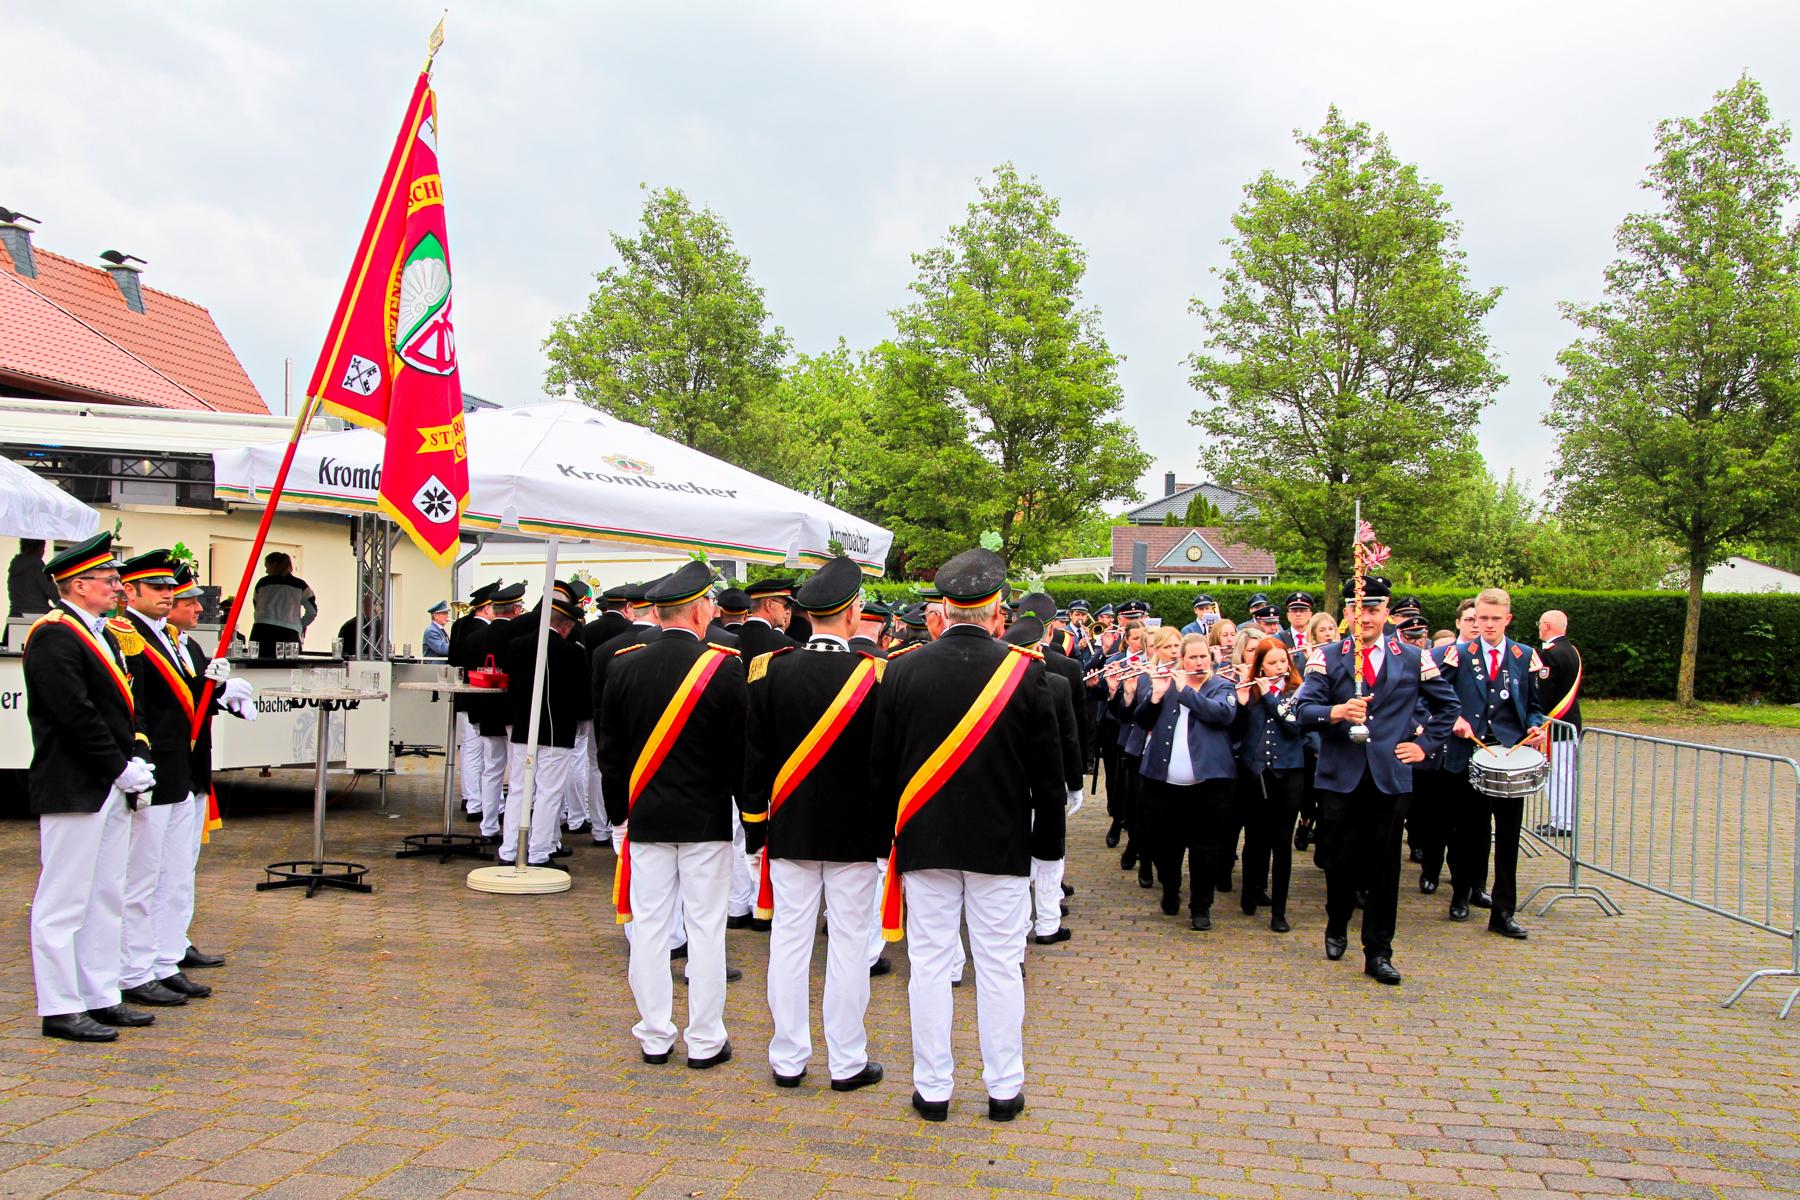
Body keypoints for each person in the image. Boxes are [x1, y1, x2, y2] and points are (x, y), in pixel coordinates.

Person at [869, 547, 1063, 1123]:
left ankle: (933, 1089)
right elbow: (1048, 778)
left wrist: (885, 843)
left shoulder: (901, 669)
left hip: (924, 840)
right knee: (1000, 966)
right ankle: (1004, 1088)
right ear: (997, 612)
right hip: (1000, 843)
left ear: (945, 610)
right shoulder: (1026, 672)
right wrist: (1047, 850)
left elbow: (881, 768)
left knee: (929, 966)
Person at [741, 555, 888, 1092]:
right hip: (855, 834)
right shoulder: (874, 676)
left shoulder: (769, 670)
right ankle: (847, 1061)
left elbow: (754, 761)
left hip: (791, 829)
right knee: (849, 946)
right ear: (851, 614)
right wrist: (884, 837)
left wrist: (755, 827)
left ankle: (788, 1058)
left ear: (806, 615)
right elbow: (884, 767)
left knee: (789, 942)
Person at [598, 561, 747, 1070]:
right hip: (705, 820)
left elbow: (610, 754)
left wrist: (619, 815)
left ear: (659, 614)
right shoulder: (724, 668)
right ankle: (704, 1040)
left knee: (650, 928)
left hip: (645, 818)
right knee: (706, 931)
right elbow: (739, 756)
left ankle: (655, 1035)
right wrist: (751, 819)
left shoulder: (623, 666)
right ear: (701, 610)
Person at [1294, 575, 1457, 986]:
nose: (1364, 616)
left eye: (1372, 608)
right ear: (1347, 613)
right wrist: (1336, 712)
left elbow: (1447, 705)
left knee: (1384, 868)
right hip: (1340, 776)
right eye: (1357, 608)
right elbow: (1302, 711)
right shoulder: (1328, 656)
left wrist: (1424, 747)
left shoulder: (1414, 657)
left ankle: (1379, 951)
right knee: (1339, 860)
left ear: (1387, 612)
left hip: (1389, 776)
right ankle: (1337, 921)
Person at [24, 533, 155, 1041]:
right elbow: (73, 713)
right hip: (75, 783)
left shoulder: (100, 633)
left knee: (106, 895)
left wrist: (136, 755)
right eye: (109, 579)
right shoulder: (55, 634)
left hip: (109, 783)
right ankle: (60, 1006)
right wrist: (117, 766)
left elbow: (124, 707)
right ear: (79, 585)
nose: (118, 587)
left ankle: (100, 994)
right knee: (63, 901)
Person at [113, 551, 255, 1009]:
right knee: (144, 876)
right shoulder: (126, 636)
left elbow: (186, 701)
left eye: (170, 590)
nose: (171, 597)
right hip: (156, 769)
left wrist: (219, 691)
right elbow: (138, 706)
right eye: (161, 589)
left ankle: (165, 956)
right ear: (130, 591)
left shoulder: (172, 639)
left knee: (175, 872)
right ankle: (138, 966)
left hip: (186, 769)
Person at [1436, 587, 1546, 940]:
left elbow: (1534, 705)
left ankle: (1503, 912)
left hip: (1509, 757)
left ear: (1507, 619)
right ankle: (1461, 894)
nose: (1487, 624)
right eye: (1482, 618)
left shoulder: (1524, 655)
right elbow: (1437, 697)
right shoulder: (1457, 653)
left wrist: (1535, 726)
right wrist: (1453, 718)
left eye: (1495, 619)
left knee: (1509, 837)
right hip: (1469, 752)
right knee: (1467, 832)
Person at [161, 563, 243, 974]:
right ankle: (158, 951)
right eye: (189, 601)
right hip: (167, 769)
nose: (198, 608)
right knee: (160, 868)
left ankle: (175, 939)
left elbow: (197, 701)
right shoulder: (146, 643)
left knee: (183, 865)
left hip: (194, 767)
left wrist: (222, 692)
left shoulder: (189, 646)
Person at [1134, 631, 1238, 930]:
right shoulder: (1166, 683)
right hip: (1162, 783)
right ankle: (1170, 889)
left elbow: (1221, 715)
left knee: (1206, 849)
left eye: (1203, 657)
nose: (1198, 662)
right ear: (1181, 659)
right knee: (1164, 845)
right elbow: (1141, 720)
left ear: (1211, 658)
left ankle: (1201, 906)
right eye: (1192, 657)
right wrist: (1155, 696)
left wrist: (1186, 692)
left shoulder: (1221, 686)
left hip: (1209, 785)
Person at [499, 586, 592, 868]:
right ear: (565, 626)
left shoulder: (516, 646)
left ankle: (509, 850)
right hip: (556, 731)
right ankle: (539, 852)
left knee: (518, 790)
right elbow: (581, 697)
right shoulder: (572, 652)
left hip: (522, 728)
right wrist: (583, 727)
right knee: (548, 793)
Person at [1235, 638, 1311, 933]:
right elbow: (1236, 731)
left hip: (1289, 773)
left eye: (1283, 661)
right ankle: (1250, 891)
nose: (1279, 667)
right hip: (1256, 772)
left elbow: (1294, 726)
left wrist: (1270, 697)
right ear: (1260, 667)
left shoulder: (1299, 691)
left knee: (1282, 840)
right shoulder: (1250, 690)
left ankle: (1279, 911)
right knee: (1255, 837)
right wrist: (1242, 703)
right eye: (1272, 663)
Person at [469, 584, 527, 842]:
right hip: (513, 710)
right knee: (517, 773)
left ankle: (488, 826)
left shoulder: (476, 637)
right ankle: (513, 833)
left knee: (491, 769)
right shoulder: (521, 634)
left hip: (487, 709)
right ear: (516, 609)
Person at [449, 581, 499, 821]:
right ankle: (478, 801)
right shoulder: (486, 633)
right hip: (482, 696)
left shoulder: (460, 625)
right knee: (484, 753)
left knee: (469, 750)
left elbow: (452, 660)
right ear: (487, 608)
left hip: (464, 694)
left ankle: (470, 798)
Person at [1535, 610, 1583, 838]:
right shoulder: (1571, 650)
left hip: (1556, 723)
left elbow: (1544, 692)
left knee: (1558, 774)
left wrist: (1535, 715)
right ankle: (1562, 819)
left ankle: (1563, 821)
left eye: (1540, 624)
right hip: (1568, 721)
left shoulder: (1550, 654)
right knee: (1563, 773)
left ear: (1546, 625)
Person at [248, 552, 316, 657]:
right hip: (288, 634)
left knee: (259, 664)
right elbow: (312, 611)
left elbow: (256, 605)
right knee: (286, 665)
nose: (266, 571)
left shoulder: (262, 583)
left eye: (267, 566)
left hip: (260, 631)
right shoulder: (300, 585)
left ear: (275, 564)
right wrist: (299, 625)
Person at [737, 578, 799, 661]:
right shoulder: (787, 645)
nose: (787, 611)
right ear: (769, 605)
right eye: (785, 606)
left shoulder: (728, 640)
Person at [8, 538, 58, 623]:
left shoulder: (15, 566)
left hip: (16, 613)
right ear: (39, 548)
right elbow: (52, 592)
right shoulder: (37, 566)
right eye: (43, 547)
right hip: (38, 614)